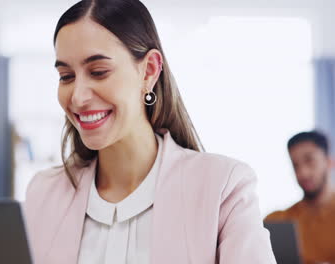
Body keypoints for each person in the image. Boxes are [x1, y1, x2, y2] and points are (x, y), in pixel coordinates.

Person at [24, 0, 276, 263]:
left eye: (98, 72)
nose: (77, 97)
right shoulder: (43, 193)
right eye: (66, 76)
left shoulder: (224, 187)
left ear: (149, 71)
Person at [265, 131, 335, 264]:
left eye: (310, 161)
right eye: (295, 165)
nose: (303, 173)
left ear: (329, 162)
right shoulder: (277, 221)